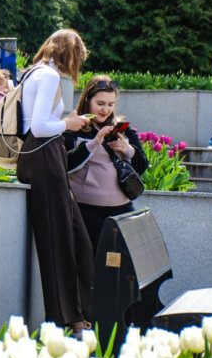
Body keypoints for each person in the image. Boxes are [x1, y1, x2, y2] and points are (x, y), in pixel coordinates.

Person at [15, 29, 93, 336]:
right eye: (79, 59)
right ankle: (70, 321)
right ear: (69, 54)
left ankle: (76, 316)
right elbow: (39, 126)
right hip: (44, 157)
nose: (79, 66)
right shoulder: (47, 76)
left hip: (48, 157)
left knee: (73, 239)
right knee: (60, 240)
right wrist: (69, 123)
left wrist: (66, 122)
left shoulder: (37, 73)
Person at [63, 75, 149, 251]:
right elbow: (66, 164)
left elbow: (141, 166)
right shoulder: (75, 127)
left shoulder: (122, 129)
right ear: (87, 100)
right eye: (100, 103)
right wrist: (94, 143)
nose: (105, 110)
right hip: (85, 210)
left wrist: (127, 150)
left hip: (122, 210)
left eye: (111, 104)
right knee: (92, 265)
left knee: (118, 268)